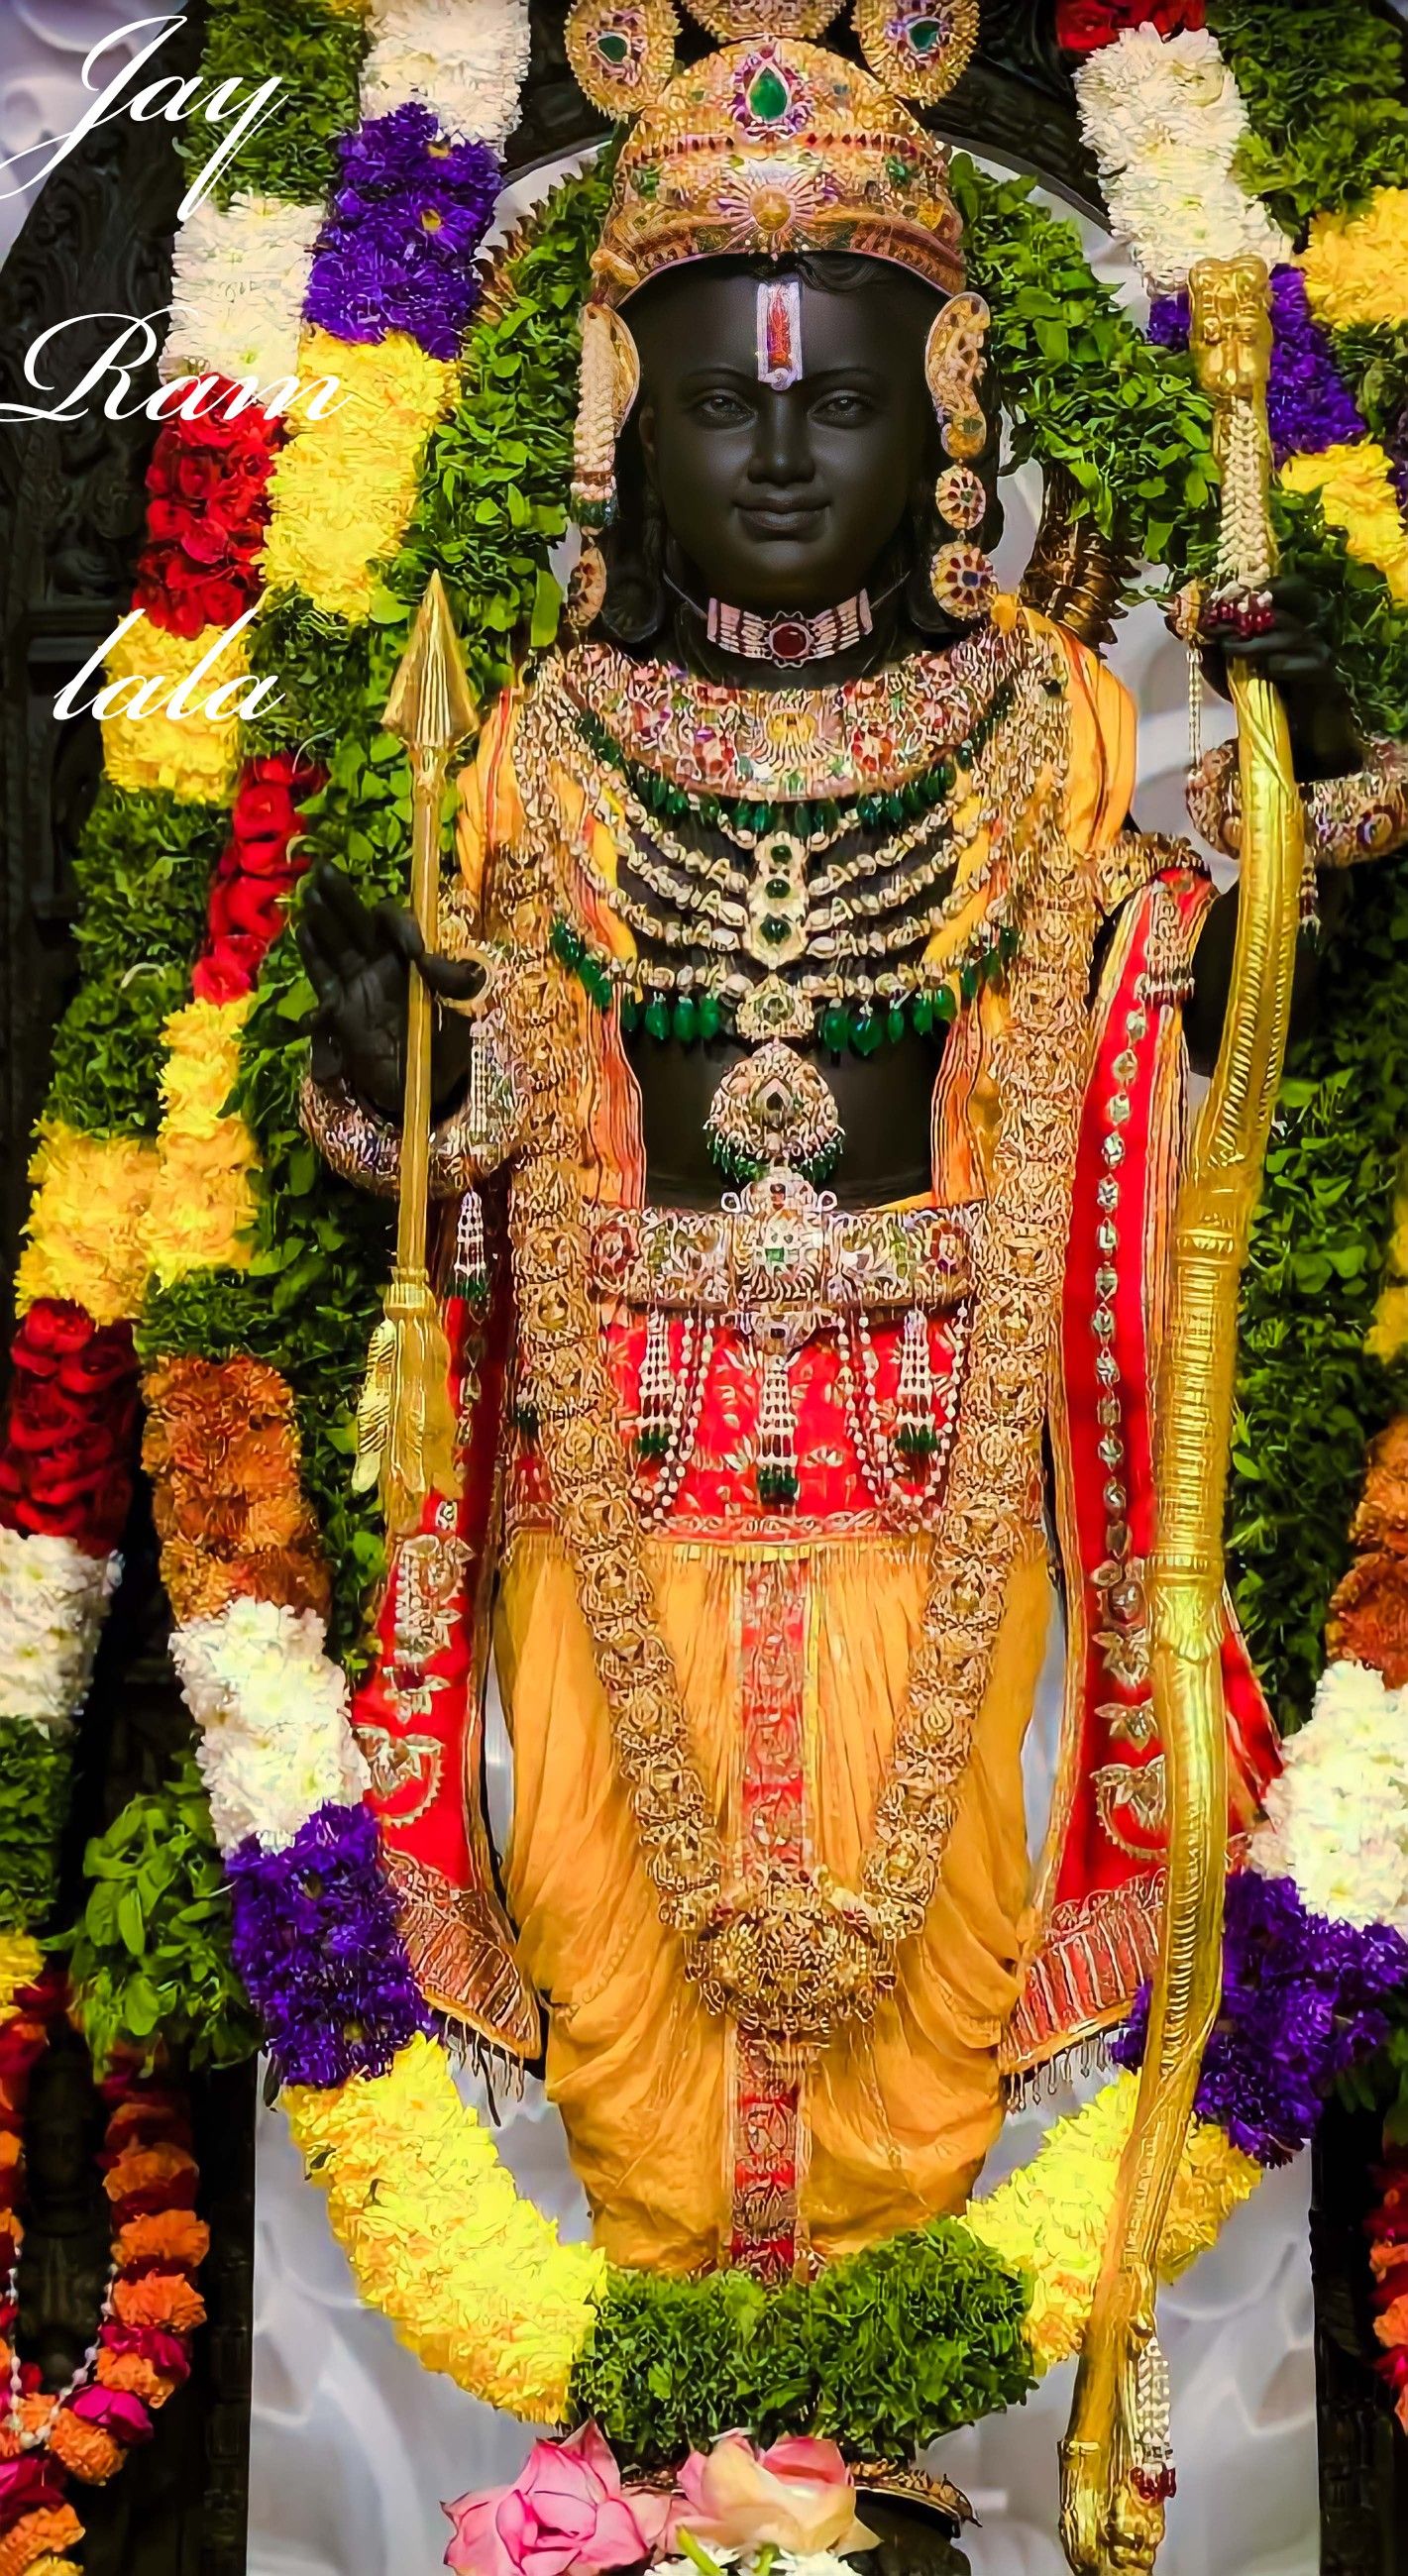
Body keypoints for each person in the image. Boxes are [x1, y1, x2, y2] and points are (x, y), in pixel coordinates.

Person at [293, 19, 1387, 2300]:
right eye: (717, 396)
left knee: (936, 1981)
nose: (779, 447)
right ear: (619, 417)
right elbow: (459, 1168)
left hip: (945, 1477)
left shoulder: (1046, 729)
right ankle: (684, 2470)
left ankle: (841, 2471)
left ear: (954, 404)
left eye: (842, 393)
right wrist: (385, 1058)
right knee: (620, 1979)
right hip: (619, 1486)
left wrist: (1329, 791)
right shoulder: (547, 747)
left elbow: (1197, 1014)